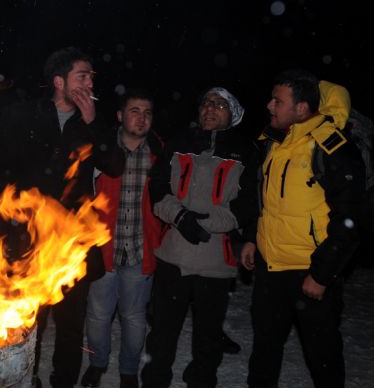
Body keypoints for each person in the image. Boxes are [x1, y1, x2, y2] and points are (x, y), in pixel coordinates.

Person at [0, 46, 124, 388]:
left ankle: (62, 381)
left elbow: (114, 165)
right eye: (83, 75)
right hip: (28, 239)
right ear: (59, 81)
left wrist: (94, 122)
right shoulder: (23, 116)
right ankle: (25, 376)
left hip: (73, 244)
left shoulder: (91, 123)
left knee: (70, 324)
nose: (90, 81)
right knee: (26, 319)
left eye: (92, 76)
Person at [241, 70, 364, 388]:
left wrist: (322, 274)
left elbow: (350, 219)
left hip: (310, 274)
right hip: (270, 270)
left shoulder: (333, 149)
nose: (269, 106)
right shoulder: (272, 141)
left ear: (301, 108)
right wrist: (251, 239)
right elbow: (259, 196)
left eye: (278, 101)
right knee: (264, 353)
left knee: (323, 359)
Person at [141, 87, 259, 388]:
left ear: (232, 114)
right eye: (206, 103)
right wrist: (179, 216)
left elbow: (248, 203)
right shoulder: (180, 143)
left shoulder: (245, 151)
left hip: (215, 261)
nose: (210, 109)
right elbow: (157, 186)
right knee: (162, 334)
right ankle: (155, 382)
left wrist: (207, 222)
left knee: (208, 339)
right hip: (173, 257)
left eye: (219, 105)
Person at [80, 89, 163, 388]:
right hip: (103, 250)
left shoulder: (159, 154)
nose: (141, 118)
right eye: (134, 110)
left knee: (133, 317)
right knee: (99, 315)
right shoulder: (101, 151)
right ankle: (97, 363)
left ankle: (129, 370)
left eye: (147, 112)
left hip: (141, 250)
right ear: (119, 116)